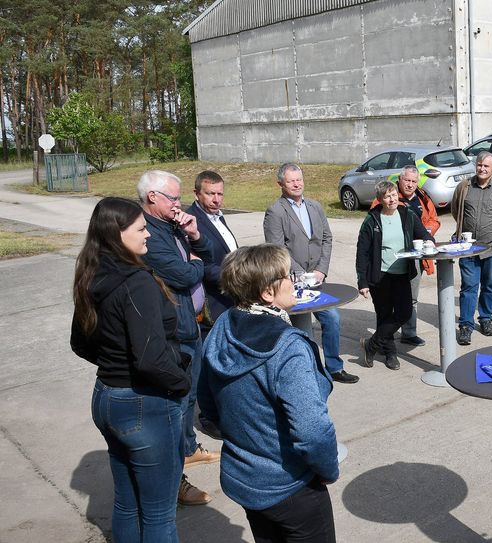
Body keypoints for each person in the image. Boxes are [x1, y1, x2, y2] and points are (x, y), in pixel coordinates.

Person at [198, 244, 339, 543]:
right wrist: (327, 468)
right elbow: (312, 431)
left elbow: (209, 405)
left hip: (245, 480)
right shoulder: (288, 346)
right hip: (290, 486)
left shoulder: (223, 324)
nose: (294, 281)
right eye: (287, 276)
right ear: (267, 293)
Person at [70, 197, 191, 541]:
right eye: (141, 229)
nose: (148, 235)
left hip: (107, 397)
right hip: (144, 405)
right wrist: (181, 384)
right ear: (117, 234)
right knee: (158, 514)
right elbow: (151, 359)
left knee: (128, 503)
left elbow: (81, 343)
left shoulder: (92, 273)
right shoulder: (136, 282)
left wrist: (114, 364)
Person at [138, 170, 218, 506]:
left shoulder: (173, 225)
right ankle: (175, 480)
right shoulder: (147, 234)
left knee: (189, 395)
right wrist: (196, 263)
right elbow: (184, 274)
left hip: (192, 322)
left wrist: (195, 235)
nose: (179, 204)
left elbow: (209, 256)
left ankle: (187, 449)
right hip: (174, 331)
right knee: (175, 404)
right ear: (153, 197)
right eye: (173, 197)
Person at [264, 163, 359, 384]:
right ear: (281, 184)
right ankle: (309, 373)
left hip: (317, 278)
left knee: (332, 318)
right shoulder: (275, 212)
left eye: (299, 179)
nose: (297, 184)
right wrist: (299, 273)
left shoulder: (315, 206)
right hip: (293, 281)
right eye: (291, 181)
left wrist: (321, 270)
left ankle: (334, 368)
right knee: (303, 330)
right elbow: (277, 249)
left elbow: (327, 238)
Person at [356, 180, 433, 369]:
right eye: (386, 196)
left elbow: (423, 233)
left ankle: (371, 345)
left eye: (392, 195)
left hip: (401, 274)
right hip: (379, 276)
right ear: (379, 199)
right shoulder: (372, 219)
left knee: (404, 312)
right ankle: (391, 354)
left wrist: (429, 242)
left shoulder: (407, 214)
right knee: (384, 315)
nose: (391, 199)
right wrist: (362, 281)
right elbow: (362, 252)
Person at [370, 165, 440, 347]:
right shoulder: (389, 196)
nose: (410, 184)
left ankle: (409, 333)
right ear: (399, 180)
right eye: (407, 180)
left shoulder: (423, 197)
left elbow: (434, 219)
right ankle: (385, 338)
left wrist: (427, 231)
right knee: (388, 302)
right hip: (390, 257)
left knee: (412, 298)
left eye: (414, 181)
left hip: (416, 256)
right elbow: (374, 221)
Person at [451, 151, 492, 345]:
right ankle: (465, 325)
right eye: (479, 165)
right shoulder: (464, 187)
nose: (482, 168)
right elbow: (456, 211)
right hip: (468, 248)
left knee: (489, 285)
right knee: (469, 286)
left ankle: (486, 319)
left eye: (486, 166)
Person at [185, 170, 239, 333]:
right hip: (213, 305)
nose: (216, 200)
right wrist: (239, 278)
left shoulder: (218, 216)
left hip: (231, 298)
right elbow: (203, 266)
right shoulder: (190, 222)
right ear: (197, 194)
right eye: (210, 194)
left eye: (220, 194)